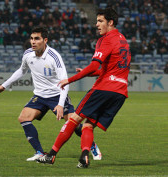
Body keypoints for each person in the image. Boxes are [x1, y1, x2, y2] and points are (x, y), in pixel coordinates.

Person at [0, 27, 101, 162]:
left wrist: (60, 104)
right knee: (23, 117)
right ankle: (40, 153)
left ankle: (92, 145)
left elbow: (65, 82)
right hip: (40, 96)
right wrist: (3, 86)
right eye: (31, 38)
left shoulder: (54, 57)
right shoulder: (28, 54)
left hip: (57, 95)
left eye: (37, 39)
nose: (33, 42)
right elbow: (21, 70)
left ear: (45, 40)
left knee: (73, 123)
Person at [37, 8, 130, 168]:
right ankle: (84, 157)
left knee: (74, 119)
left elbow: (95, 65)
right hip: (120, 92)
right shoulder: (123, 40)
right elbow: (109, 69)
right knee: (88, 125)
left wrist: (70, 80)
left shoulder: (105, 39)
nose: (97, 24)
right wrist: (89, 74)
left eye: (100, 21)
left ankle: (51, 155)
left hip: (104, 88)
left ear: (110, 22)